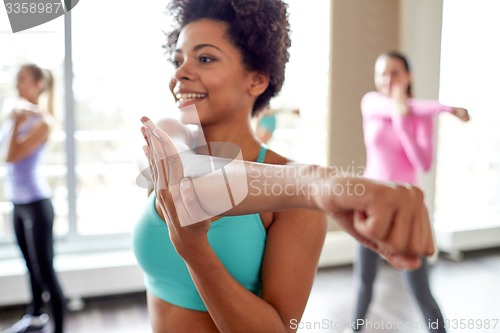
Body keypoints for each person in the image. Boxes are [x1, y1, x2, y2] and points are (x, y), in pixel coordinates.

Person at [133, 1, 435, 332]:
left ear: (257, 80)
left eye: (205, 58)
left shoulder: (299, 207)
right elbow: (197, 177)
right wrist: (313, 183)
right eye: (178, 60)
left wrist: (197, 254)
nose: (180, 73)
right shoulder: (168, 142)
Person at [346, 51, 469, 333]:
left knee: (420, 291)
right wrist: (447, 109)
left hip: (407, 209)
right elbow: (406, 107)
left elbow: (423, 164)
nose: (387, 80)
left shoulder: (418, 118)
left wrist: (403, 123)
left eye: (395, 73)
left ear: (408, 76)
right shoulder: (371, 103)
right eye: (382, 73)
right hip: (370, 203)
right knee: (364, 283)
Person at [1, 64, 65, 333]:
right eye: (17, 81)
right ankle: (36, 317)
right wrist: (14, 116)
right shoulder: (16, 113)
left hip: (37, 204)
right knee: (29, 265)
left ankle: (59, 327)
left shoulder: (42, 121)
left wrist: (16, 120)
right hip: (18, 202)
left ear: (39, 84)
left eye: (23, 81)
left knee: (45, 271)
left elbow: (11, 156)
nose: (18, 86)